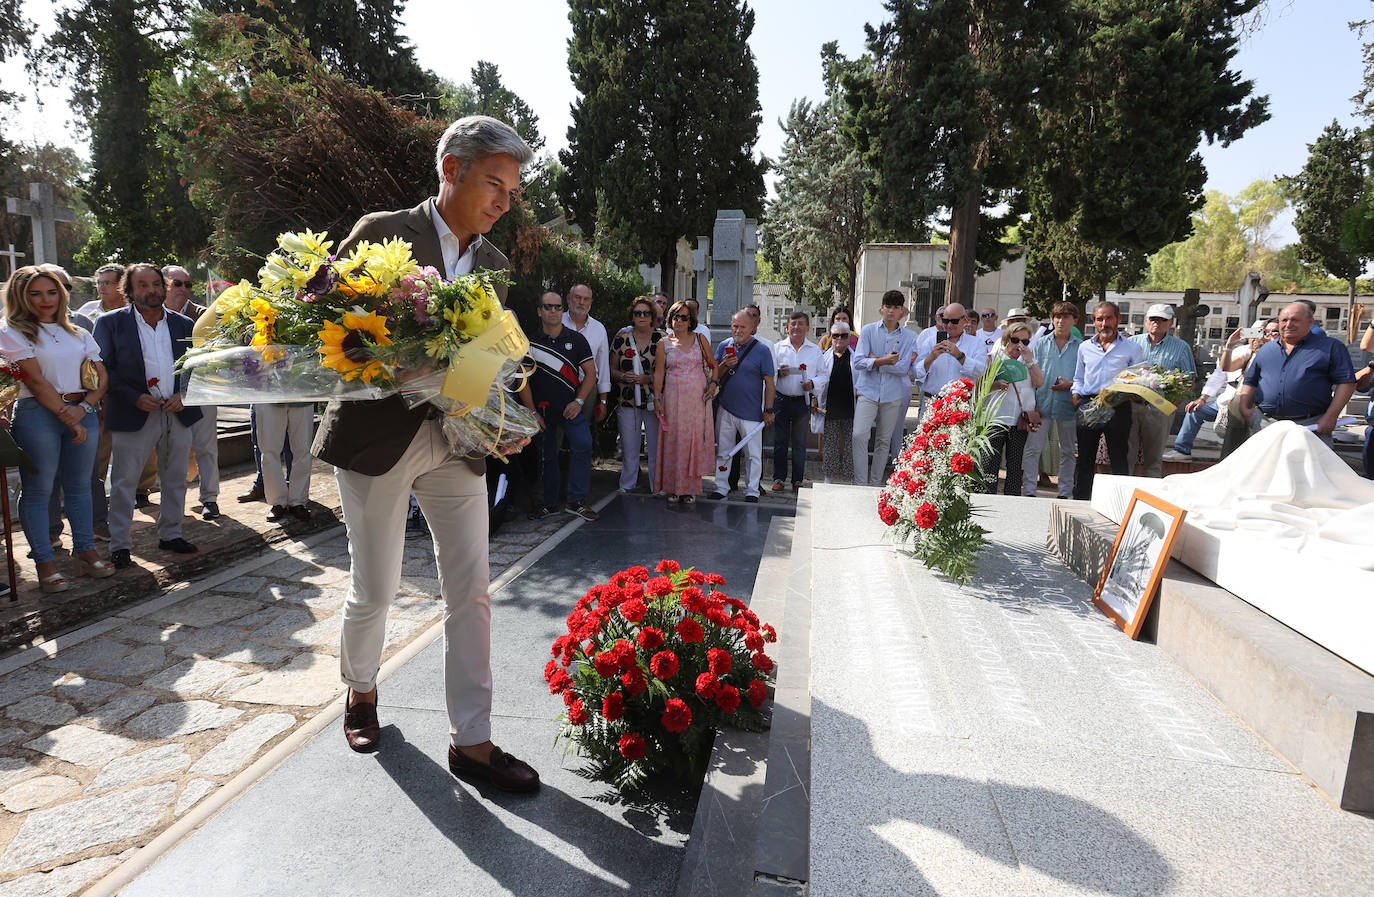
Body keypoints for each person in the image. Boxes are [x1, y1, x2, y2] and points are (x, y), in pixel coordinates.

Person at [316, 115, 539, 792]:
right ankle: (360, 689)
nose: (504, 202)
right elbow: (328, 326)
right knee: (376, 586)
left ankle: (472, 740)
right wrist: (405, 370)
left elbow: (481, 362)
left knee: (471, 589)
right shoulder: (383, 231)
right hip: (378, 438)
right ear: (452, 170)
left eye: (512, 191)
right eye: (495, 184)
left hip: (455, 447)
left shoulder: (494, 266)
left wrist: (499, 418)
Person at [0, 267, 114, 591]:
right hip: (38, 413)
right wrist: (70, 416)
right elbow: (35, 381)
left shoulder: (78, 332)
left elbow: (100, 376)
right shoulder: (11, 331)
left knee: (81, 486)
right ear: (21, 296)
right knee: (39, 489)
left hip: (82, 410)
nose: (45, 300)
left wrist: (85, 409)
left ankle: (85, 551)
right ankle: (45, 562)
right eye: (35, 293)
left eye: (51, 292)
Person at [94, 263, 202, 569]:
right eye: (142, 285)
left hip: (176, 412)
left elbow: (195, 366)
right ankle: (120, 545)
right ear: (129, 290)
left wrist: (185, 394)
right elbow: (101, 369)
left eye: (156, 284)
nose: (151, 290)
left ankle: (171, 533)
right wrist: (132, 397)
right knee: (125, 482)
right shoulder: (109, 323)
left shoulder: (183, 324)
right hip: (133, 412)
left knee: (176, 478)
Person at [1236, 301, 1355, 449]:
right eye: (1284, 320)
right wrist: (1245, 409)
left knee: (1306, 470)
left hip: (1311, 424)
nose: (1288, 324)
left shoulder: (1331, 347)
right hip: (1265, 423)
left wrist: (1331, 416)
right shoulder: (1267, 349)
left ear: (1310, 322)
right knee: (1266, 470)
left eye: (1295, 320)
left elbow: (1346, 383)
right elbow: (1251, 380)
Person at [524, 291, 599, 521]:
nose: (554, 311)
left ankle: (576, 501)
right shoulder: (529, 343)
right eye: (548, 307)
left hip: (571, 408)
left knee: (584, 445)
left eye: (558, 307)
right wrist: (532, 412)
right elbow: (522, 380)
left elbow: (591, 374)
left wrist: (579, 402)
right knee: (548, 457)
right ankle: (550, 503)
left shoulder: (577, 340)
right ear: (539, 311)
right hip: (543, 411)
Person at [1163, 320, 1276, 460]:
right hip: (1227, 401)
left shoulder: (1274, 353)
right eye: (1254, 332)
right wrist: (1203, 398)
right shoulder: (1244, 351)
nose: (1257, 336)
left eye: (1262, 332)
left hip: (1254, 405)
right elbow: (1221, 372)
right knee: (1195, 410)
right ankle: (1182, 450)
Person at [162, 265, 221, 520]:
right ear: (164, 285)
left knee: (206, 447)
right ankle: (173, 503)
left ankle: (210, 498)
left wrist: (186, 391)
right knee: (170, 451)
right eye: (177, 284)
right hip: (164, 394)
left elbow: (214, 356)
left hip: (202, 390)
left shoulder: (203, 316)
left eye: (188, 285)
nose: (184, 289)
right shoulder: (151, 317)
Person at [1071, 302, 1144, 500]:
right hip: (1089, 404)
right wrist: (1076, 395)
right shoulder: (1085, 347)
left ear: (1118, 319)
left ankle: (1119, 503)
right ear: (1094, 322)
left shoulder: (1131, 348)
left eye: (1109, 318)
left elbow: (1138, 378)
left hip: (1118, 405)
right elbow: (1078, 376)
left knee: (1119, 458)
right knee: (1085, 458)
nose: (1104, 323)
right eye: (1100, 319)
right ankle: (1080, 500)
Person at [652, 300, 717, 503]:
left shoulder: (700, 339)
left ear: (691, 321)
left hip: (697, 400)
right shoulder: (663, 344)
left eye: (684, 317)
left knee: (692, 441)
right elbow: (659, 373)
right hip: (672, 398)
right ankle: (672, 487)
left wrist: (713, 384)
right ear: (669, 320)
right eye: (675, 317)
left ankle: (689, 489)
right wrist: (656, 398)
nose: (679, 321)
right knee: (673, 440)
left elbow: (714, 365)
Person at [852, 290, 918, 486]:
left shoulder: (908, 336)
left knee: (884, 440)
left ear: (902, 311)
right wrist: (884, 360)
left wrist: (875, 359)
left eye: (896, 307)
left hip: (892, 394)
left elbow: (902, 368)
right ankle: (860, 482)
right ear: (882, 308)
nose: (891, 311)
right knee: (859, 434)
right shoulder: (868, 330)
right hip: (868, 391)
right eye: (888, 306)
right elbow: (858, 361)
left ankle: (874, 484)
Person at [708, 309, 775, 502]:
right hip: (726, 408)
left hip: (752, 412)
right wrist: (724, 365)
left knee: (753, 454)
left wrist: (768, 409)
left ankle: (752, 490)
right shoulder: (723, 346)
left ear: (752, 328)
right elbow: (715, 377)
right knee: (723, 450)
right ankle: (721, 486)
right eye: (735, 326)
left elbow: (770, 383)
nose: (737, 330)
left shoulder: (762, 350)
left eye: (742, 327)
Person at [1126, 304, 1195, 477]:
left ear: (1170, 323)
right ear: (1146, 321)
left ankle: (1149, 499)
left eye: (1162, 319)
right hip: (1131, 406)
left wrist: (1171, 405)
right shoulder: (1132, 343)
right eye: (1153, 319)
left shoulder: (1181, 347)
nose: (1157, 323)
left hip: (1160, 408)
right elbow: (1120, 372)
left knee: (1154, 460)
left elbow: (1189, 380)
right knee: (1125, 456)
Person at [1022, 301, 1081, 498]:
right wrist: (1032, 403)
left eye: (1065, 317)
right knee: (1033, 449)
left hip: (1069, 404)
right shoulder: (1040, 344)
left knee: (1067, 451)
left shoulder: (1081, 347)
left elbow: (1084, 377)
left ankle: (1065, 492)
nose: (1060, 320)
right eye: (1057, 316)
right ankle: (1029, 490)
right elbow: (1029, 374)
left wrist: (1071, 384)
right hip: (1042, 404)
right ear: (1052, 319)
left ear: (1075, 320)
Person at [979, 323, 1042, 494]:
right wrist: (996, 384)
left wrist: (1030, 361)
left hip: (1019, 420)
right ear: (1007, 340)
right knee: (990, 463)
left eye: (1025, 341)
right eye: (1015, 340)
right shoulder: (993, 358)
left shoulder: (1029, 361)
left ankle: (1013, 499)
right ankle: (987, 497)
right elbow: (980, 385)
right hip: (996, 418)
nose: (1019, 345)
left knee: (1015, 464)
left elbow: (1039, 383)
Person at [610, 296, 662, 493]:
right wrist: (624, 375)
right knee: (630, 448)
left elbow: (667, 370)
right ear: (632, 316)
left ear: (652, 317)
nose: (641, 316)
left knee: (656, 449)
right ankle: (627, 486)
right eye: (637, 313)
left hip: (654, 401)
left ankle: (656, 486)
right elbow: (612, 370)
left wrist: (647, 379)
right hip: (627, 400)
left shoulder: (662, 339)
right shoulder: (622, 338)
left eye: (646, 313)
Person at [771, 310, 823, 493]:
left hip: (802, 401)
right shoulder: (778, 348)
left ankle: (797, 481)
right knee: (780, 441)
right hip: (781, 399)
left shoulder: (815, 351)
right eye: (793, 324)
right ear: (787, 328)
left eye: (801, 324)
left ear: (807, 328)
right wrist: (778, 372)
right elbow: (769, 373)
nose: (796, 327)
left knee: (799, 443)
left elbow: (824, 375)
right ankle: (778, 478)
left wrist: (813, 383)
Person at [911, 300, 988, 417]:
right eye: (945, 321)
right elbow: (917, 373)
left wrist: (960, 356)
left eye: (954, 321)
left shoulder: (977, 343)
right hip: (932, 403)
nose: (949, 325)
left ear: (964, 320)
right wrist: (931, 357)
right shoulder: (930, 341)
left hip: (961, 406)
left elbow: (981, 371)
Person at [257, 401, 314, 523]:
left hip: (302, 392)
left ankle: (298, 501)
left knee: (303, 449)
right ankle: (278, 502)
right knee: (269, 450)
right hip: (269, 393)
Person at [562, 282, 610, 424]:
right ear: (568, 298)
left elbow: (603, 367)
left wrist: (603, 401)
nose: (581, 302)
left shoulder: (599, 329)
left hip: (587, 389)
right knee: (556, 434)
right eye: (577, 297)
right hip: (559, 386)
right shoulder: (557, 323)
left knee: (582, 433)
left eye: (586, 299)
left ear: (591, 302)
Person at [815, 321, 855, 484]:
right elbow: (817, 381)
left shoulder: (855, 358)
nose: (839, 339)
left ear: (849, 337)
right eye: (836, 335)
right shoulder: (824, 358)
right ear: (831, 338)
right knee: (830, 445)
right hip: (830, 407)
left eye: (843, 335)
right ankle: (828, 477)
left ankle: (851, 476)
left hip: (851, 408)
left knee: (851, 445)